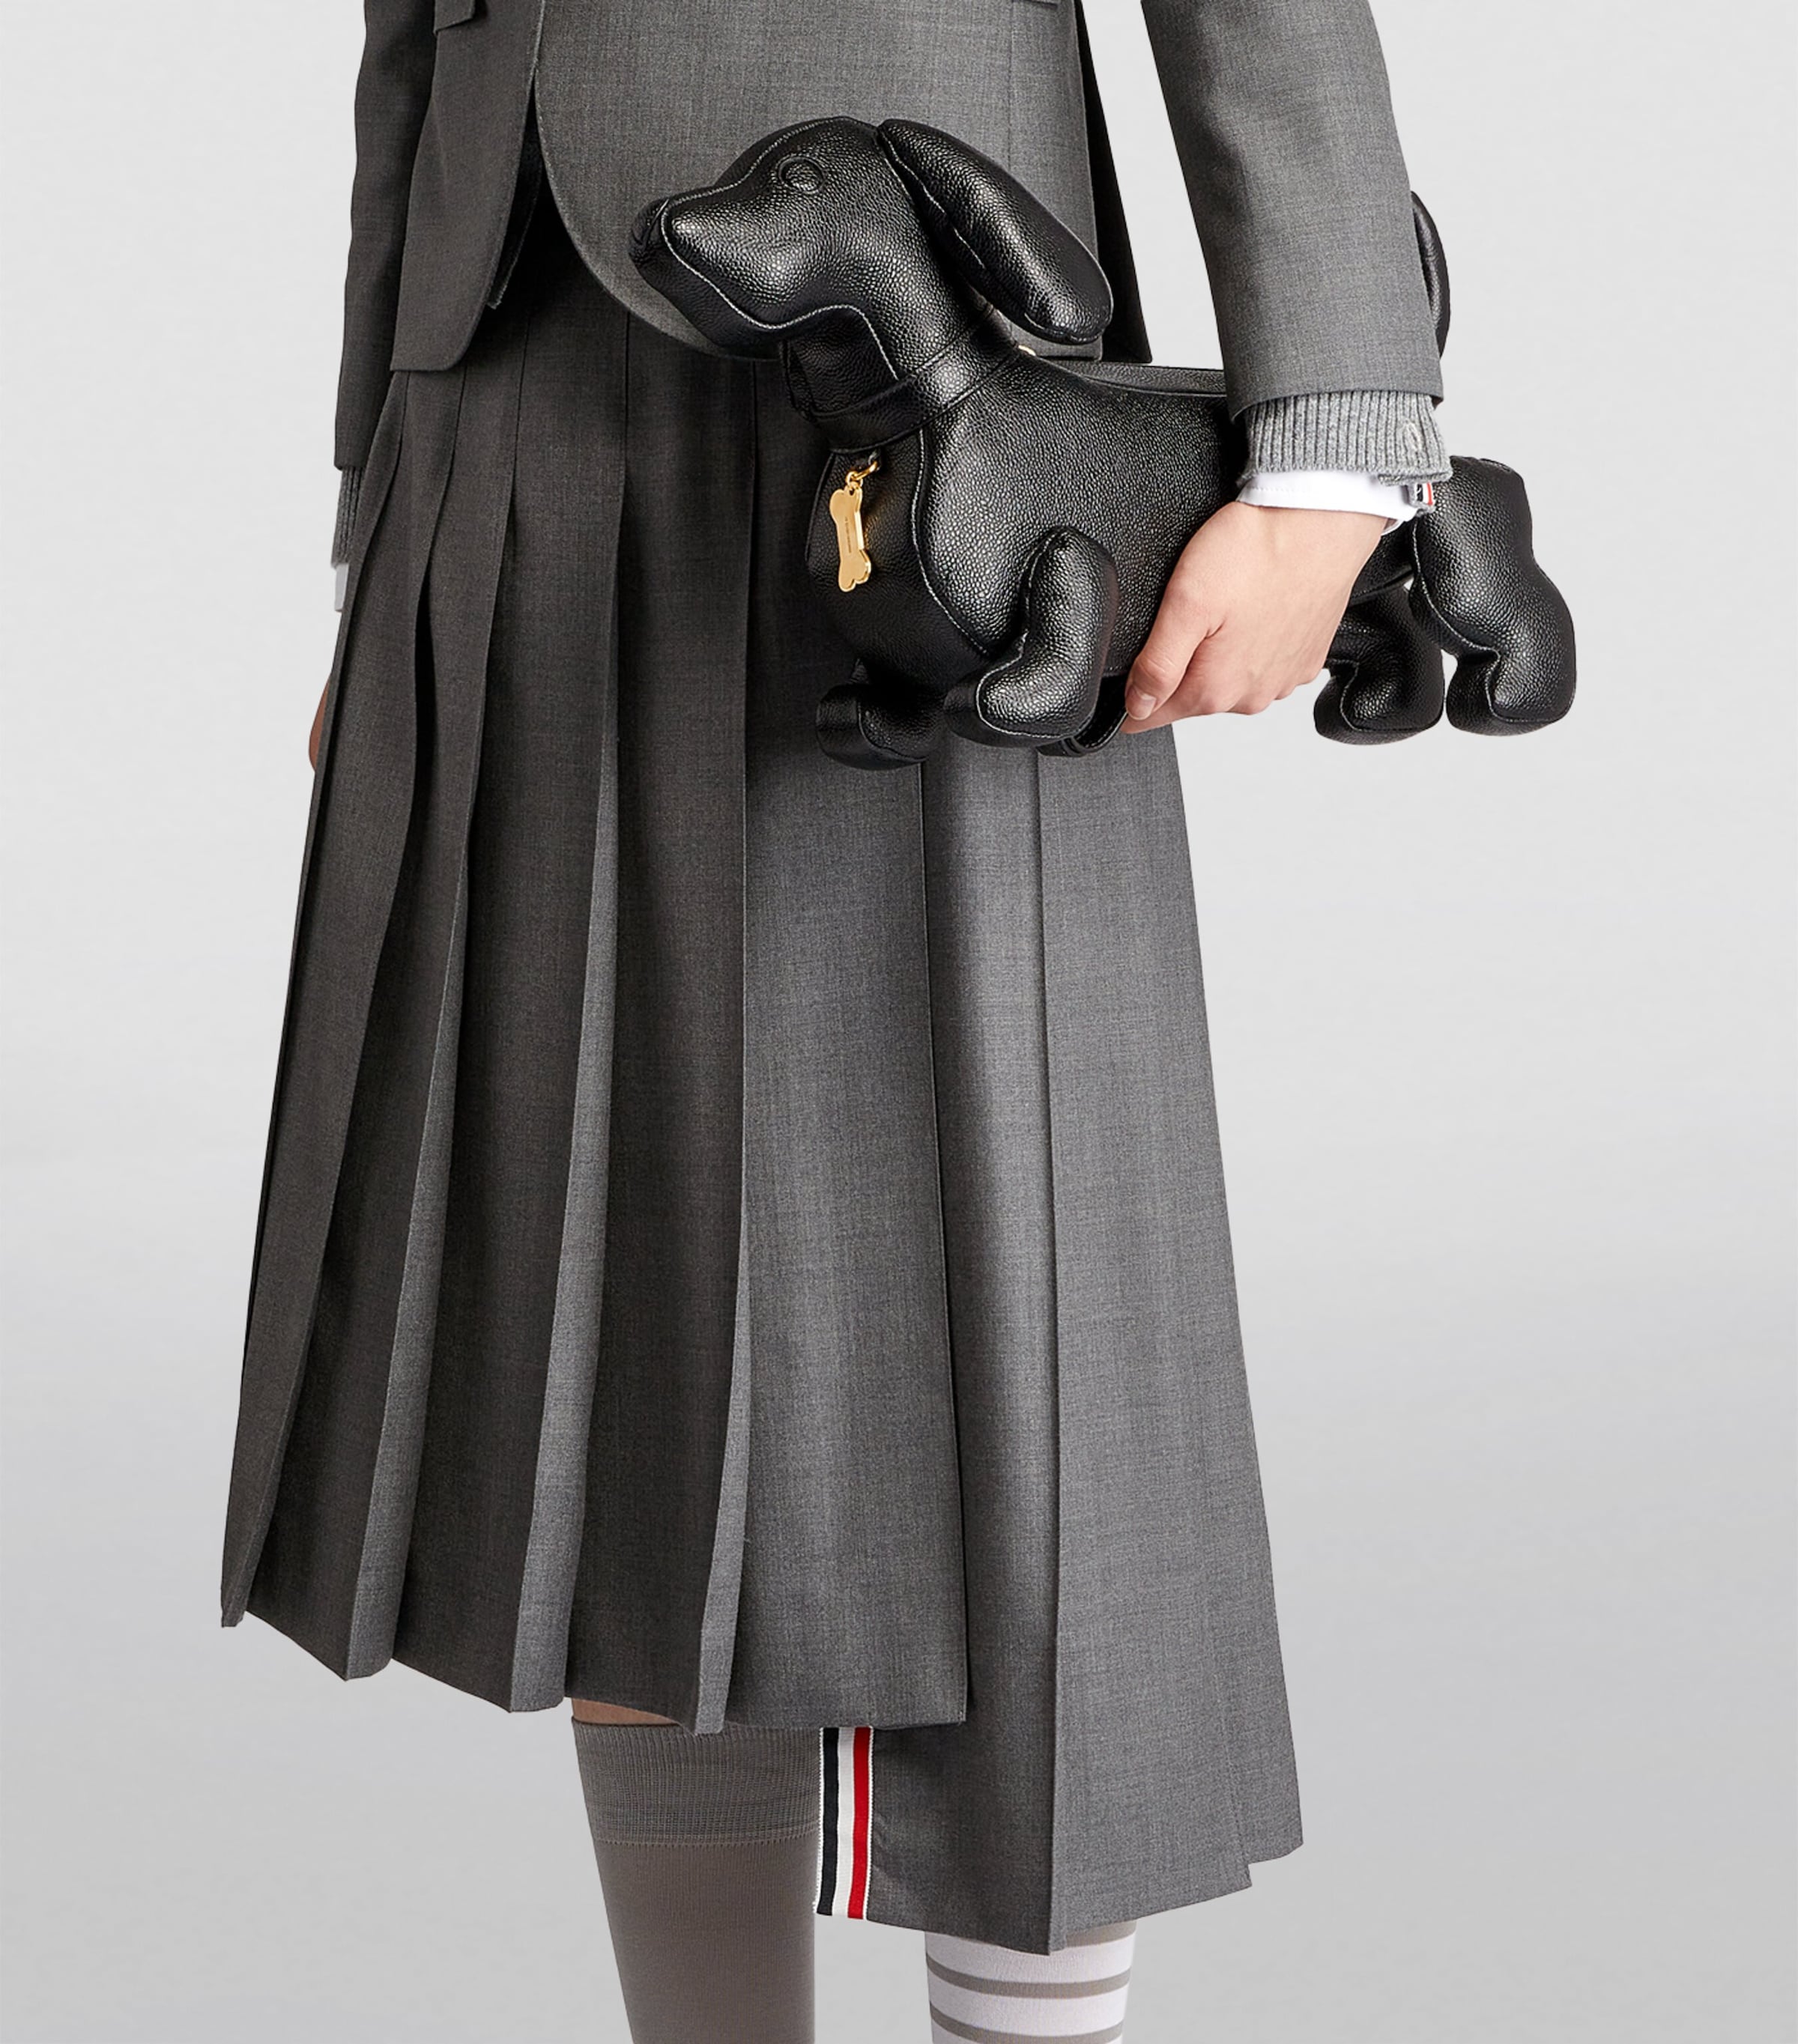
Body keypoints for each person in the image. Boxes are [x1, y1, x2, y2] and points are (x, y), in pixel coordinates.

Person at [220, 1, 1449, 2037]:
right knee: (625, 1333)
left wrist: (1335, 445)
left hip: (927, 380)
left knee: (1016, 1321)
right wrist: (378, 539)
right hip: (503, 394)